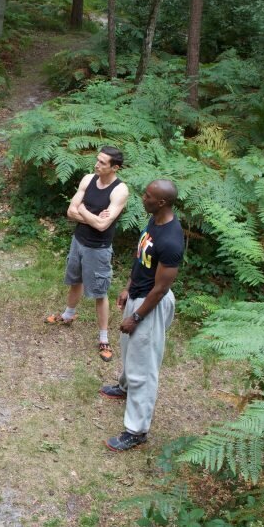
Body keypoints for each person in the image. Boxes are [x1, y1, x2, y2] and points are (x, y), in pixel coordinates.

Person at [100, 179, 184, 452]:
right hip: (138, 295)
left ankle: (137, 431)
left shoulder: (171, 239)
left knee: (144, 368)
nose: (142, 197)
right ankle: (125, 387)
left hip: (151, 303)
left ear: (161, 202)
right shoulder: (154, 222)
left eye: (147, 195)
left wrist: (137, 317)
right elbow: (141, 261)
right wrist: (127, 288)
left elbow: (161, 287)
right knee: (130, 349)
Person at [45, 147, 129, 362]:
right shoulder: (88, 179)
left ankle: (104, 338)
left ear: (115, 167)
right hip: (78, 241)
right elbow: (70, 211)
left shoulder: (119, 191)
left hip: (99, 248)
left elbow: (102, 226)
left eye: (102, 163)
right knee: (75, 281)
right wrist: (91, 216)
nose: (97, 165)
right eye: (97, 160)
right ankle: (68, 314)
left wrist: (82, 210)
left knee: (100, 293)